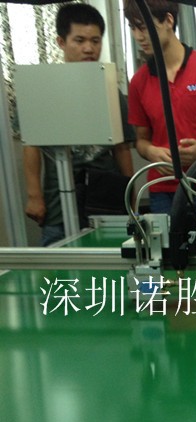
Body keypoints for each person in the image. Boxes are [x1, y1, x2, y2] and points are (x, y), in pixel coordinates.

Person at [22, 3, 135, 247]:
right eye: (80, 40)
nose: (89, 48)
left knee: (110, 264)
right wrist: (34, 195)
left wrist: (130, 196)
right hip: (58, 206)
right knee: (58, 266)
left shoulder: (110, 91)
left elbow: (123, 149)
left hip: (105, 203)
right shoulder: (43, 89)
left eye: (95, 41)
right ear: (61, 42)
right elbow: (31, 144)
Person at [124, 0, 196, 215]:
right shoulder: (138, 82)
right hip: (161, 190)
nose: (138, 36)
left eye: (144, 27)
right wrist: (150, 151)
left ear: (168, 20)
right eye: (133, 28)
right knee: (167, 239)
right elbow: (141, 140)